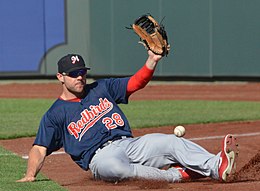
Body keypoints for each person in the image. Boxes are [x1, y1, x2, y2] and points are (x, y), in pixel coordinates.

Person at [17, 51, 238, 183]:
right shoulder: (55, 114)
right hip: (99, 159)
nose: (80, 77)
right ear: (60, 77)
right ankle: (178, 176)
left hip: (129, 145)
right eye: (74, 74)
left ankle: (216, 166)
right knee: (118, 168)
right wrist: (30, 174)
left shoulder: (102, 88)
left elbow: (135, 82)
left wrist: (152, 61)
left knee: (170, 141)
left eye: (83, 72)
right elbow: (39, 148)